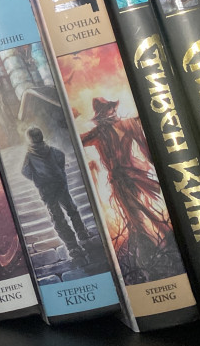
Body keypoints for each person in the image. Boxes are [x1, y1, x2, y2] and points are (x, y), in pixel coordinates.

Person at [79, 98, 173, 252]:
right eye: (107, 109)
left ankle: (162, 238)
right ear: (102, 114)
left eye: (111, 108)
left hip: (133, 174)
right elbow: (80, 140)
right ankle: (156, 242)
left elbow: (145, 148)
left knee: (141, 209)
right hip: (119, 178)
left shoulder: (128, 124)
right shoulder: (99, 133)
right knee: (135, 213)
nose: (112, 111)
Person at [21, 126, 90, 260]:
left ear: (29, 140)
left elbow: (25, 171)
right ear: (41, 136)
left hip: (45, 189)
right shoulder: (51, 150)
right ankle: (82, 233)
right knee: (71, 209)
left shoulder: (29, 156)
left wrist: (37, 178)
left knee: (57, 217)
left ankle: (72, 246)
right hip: (59, 184)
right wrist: (59, 171)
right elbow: (61, 156)